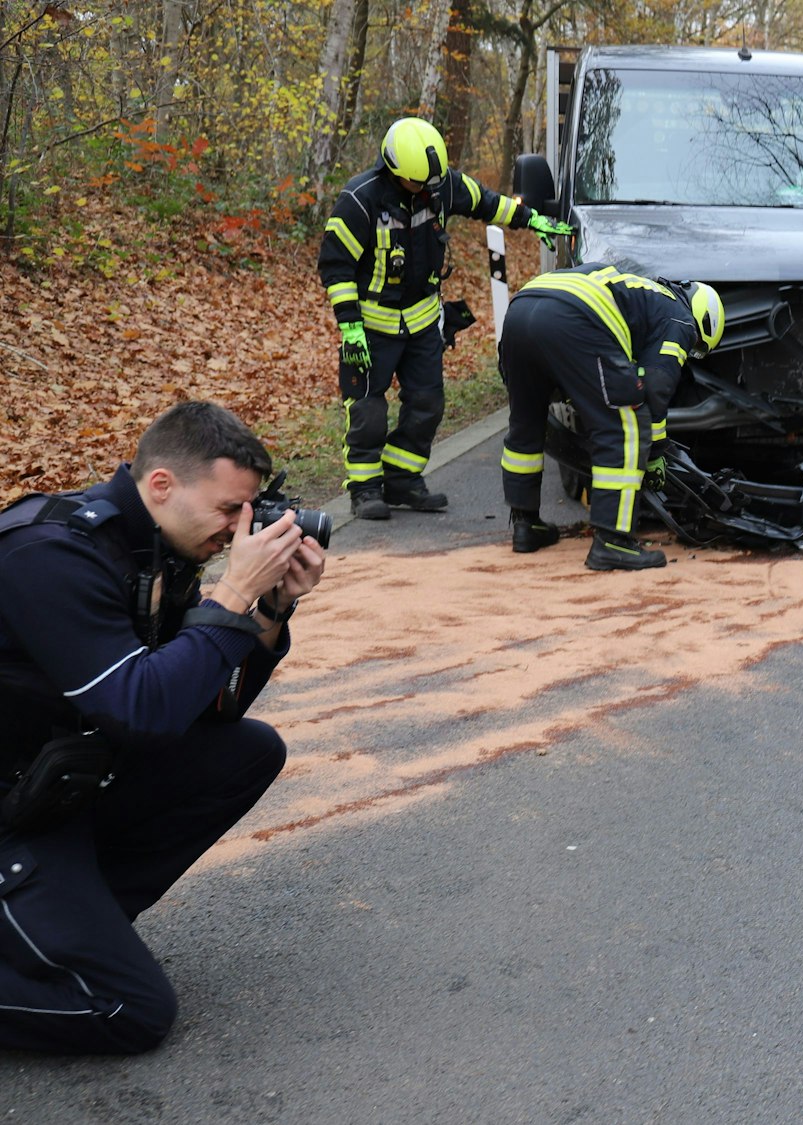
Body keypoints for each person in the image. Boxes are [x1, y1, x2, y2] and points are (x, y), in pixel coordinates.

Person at [0, 401, 325, 1053]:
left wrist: (268, 609)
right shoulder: (48, 553)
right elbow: (139, 711)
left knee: (245, 751)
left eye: (248, 511)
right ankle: (51, 936)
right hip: (12, 813)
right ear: (161, 485)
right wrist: (231, 595)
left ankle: (75, 928)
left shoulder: (152, 550)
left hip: (50, 791)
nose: (240, 529)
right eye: (229, 510)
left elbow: (208, 709)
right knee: (130, 1009)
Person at [318, 116, 575, 520]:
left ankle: (403, 479)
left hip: (422, 322)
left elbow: (487, 202)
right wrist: (351, 327)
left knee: (428, 403)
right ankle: (365, 490)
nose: (426, 191)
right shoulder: (360, 200)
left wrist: (531, 219)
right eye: (417, 183)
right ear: (393, 169)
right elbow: (336, 267)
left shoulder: (441, 185)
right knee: (367, 411)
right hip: (371, 328)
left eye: (431, 184)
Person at [497, 263, 724, 571]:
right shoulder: (680, 318)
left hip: (521, 311)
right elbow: (656, 385)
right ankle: (613, 542)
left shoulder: (644, 292)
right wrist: (656, 452)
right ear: (702, 319)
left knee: (526, 422)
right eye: (695, 348)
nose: (689, 351)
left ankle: (526, 525)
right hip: (572, 316)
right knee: (625, 426)